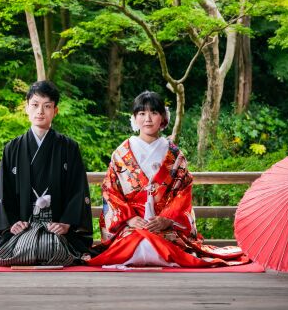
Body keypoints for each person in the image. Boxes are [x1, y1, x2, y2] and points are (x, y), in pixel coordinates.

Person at [87, 91, 250, 268]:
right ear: (134, 118)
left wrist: (166, 219)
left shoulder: (174, 154)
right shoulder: (121, 153)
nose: (147, 119)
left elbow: (183, 193)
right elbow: (111, 191)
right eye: (142, 113)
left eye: (153, 113)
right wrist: (129, 219)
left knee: (156, 244)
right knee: (138, 243)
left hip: (164, 225)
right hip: (132, 224)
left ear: (163, 117)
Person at [0, 81, 93, 266]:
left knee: (49, 248)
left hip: (57, 229)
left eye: (47, 106)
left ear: (56, 111)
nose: (40, 111)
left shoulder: (69, 147)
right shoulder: (12, 148)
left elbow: (78, 190)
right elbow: (2, 192)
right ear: (26, 108)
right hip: (24, 227)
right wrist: (12, 223)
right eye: (35, 105)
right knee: (29, 249)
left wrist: (66, 223)